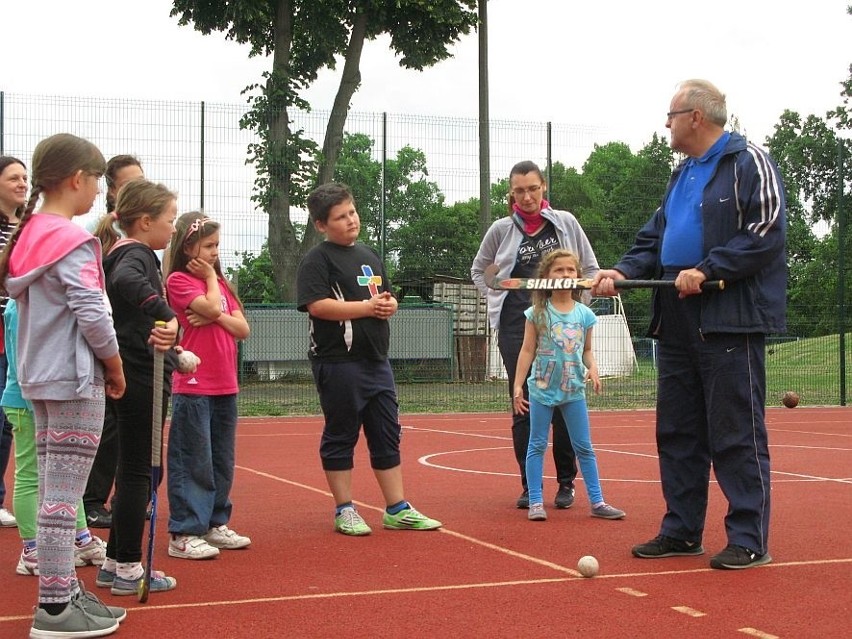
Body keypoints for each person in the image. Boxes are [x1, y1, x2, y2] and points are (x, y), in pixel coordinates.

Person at [591, 79, 786, 570]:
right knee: (677, 430)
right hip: (676, 315)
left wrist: (709, 268)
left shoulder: (747, 162)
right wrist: (622, 271)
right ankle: (682, 530)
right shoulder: (680, 175)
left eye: (672, 114)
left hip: (728, 317)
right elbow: (654, 237)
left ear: (696, 116)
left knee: (736, 431)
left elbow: (765, 231)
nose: (667, 124)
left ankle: (748, 537)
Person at [0, 133, 127, 637]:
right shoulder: (72, 240)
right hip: (74, 378)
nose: (98, 192)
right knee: (61, 496)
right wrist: (113, 365)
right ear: (77, 178)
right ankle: (54, 606)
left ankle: (65, 591)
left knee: (56, 487)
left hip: (38, 376)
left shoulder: (27, 234)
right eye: (96, 180)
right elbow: (92, 310)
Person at [296, 183, 442, 536]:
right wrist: (366, 308)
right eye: (340, 217)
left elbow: (384, 295)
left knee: (386, 432)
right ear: (321, 225)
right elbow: (317, 306)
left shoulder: (369, 255)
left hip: (377, 360)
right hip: (338, 362)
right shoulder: (317, 260)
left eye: (352, 212)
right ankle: (344, 508)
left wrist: (390, 305)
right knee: (342, 432)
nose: (350, 220)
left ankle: (397, 508)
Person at [472, 160, 598, 510]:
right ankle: (530, 486)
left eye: (533, 189)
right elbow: (481, 271)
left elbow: (589, 268)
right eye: (519, 191)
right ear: (511, 193)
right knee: (525, 403)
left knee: (564, 402)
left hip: (563, 325)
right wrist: (495, 293)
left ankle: (565, 483)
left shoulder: (566, 223)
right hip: (517, 326)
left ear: (544, 188)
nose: (526, 197)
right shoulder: (500, 229)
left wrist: (577, 308)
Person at [92, 178, 180, 595]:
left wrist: (176, 351)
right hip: (140, 375)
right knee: (138, 472)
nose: (174, 229)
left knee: (133, 468)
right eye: (170, 220)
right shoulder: (136, 254)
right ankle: (128, 567)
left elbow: (135, 323)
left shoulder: (125, 252)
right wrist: (166, 312)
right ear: (145, 222)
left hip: (138, 366)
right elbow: (129, 285)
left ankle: (115, 560)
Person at [514, 250, 625, 522]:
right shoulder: (537, 313)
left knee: (584, 447)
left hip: (573, 389)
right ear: (546, 277)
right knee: (537, 444)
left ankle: (597, 501)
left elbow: (587, 350)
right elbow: (527, 350)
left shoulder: (585, 314)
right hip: (541, 388)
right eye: (558, 270)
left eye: (570, 270)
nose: (565, 275)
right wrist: (517, 386)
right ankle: (536, 502)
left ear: (578, 276)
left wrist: (593, 368)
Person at [165, 211, 252, 559]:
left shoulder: (221, 286)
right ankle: (184, 532)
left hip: (224, 384)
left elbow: (242, 329)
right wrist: (215, 298)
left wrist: (216, 312)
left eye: (217, 245)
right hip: (194, 384)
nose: (215, 252)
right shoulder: (178, 282)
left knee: (221, 459)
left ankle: (216, 523)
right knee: (192, 459)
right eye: (209, 246)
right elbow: (216, 309)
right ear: (189, 248)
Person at [6, 296, 109, 577]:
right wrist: (36, 402)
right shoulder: (21, 305)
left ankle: (81, 538)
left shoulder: (38, 301)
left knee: (65, 474)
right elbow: (20, 358)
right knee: (30, 475)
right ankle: (31, 549)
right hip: (27, 400)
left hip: (44, 397)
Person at [84, 154, 145, 529]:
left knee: (130, 426)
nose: (140, 186)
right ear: (111, 190)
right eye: (130, 181)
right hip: (111, 334)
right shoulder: (103, 230)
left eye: (143, 179)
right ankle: (92, 500)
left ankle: (128, 497)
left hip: (134, 339)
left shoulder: (144, 228)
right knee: (107, 424)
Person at [0, 156, 28, 528]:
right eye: (13, 178)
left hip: (22, 333)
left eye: (25, 177)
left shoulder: (28, 226)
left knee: (10, 420)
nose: (23, 183)